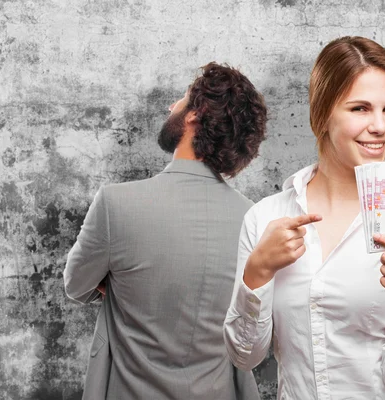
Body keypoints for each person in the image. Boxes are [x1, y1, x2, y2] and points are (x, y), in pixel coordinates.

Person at [224, 36, 385, 399]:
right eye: (360, 109)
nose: (381, 126)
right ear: (322, 114)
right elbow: (245, 356)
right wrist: (257, 273)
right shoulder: (266, 217)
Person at [64, 62, 267, 400]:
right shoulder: (253, 218)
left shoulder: (116, 204)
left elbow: (76, 285)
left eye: (182, 99)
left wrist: (120, 285)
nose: (172, 106)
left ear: (194, 114)